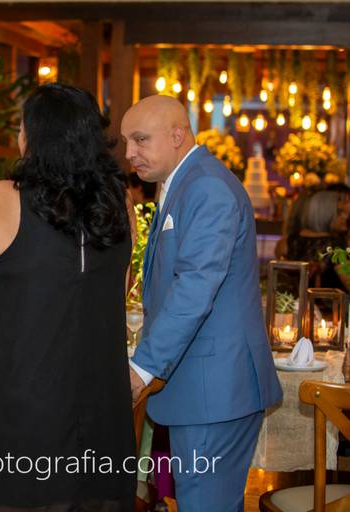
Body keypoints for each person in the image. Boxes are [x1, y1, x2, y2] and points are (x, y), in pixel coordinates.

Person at [0, 83, 137, 510]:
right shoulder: (120, 199)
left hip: (29, 393)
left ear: (34, 135)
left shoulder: (3, 198)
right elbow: (123, 285)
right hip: (103, 394)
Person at [121, 95, 282, 511]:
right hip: (202, 387)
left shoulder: (207, 187)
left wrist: (142, 368)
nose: (129, 153)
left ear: (177, 135)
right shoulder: (183, 183)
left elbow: (194, 287)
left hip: (214, 388)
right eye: (126, 142)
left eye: (140, 139)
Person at [286, 190, 350, 293]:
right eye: (339, 212)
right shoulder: (335, 244)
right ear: (325, 214)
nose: (346, 216)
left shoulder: (293, 239)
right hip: (327, 302)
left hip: (295, 301)